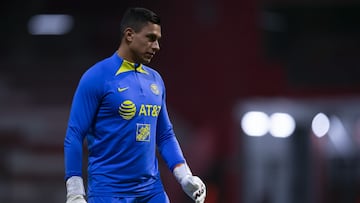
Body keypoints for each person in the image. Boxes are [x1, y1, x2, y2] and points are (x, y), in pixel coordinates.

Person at [63, 7, 206, 203]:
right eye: (150, 38)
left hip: (151, 191)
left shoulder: (156, 80)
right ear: (129, 35)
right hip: (109, 192)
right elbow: (74, 134)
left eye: (158, 40)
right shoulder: (96, 77)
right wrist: (75, 192)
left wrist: (185, 176)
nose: (156, 46)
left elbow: (164, 135)